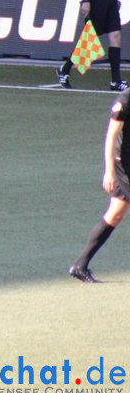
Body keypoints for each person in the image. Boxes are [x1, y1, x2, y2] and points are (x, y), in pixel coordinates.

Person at [67, 84, 130, 283]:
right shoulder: (125, 101)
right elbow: (111, 136)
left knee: (116, 213)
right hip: (125, 166)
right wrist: (109, 172)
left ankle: (80, 265)